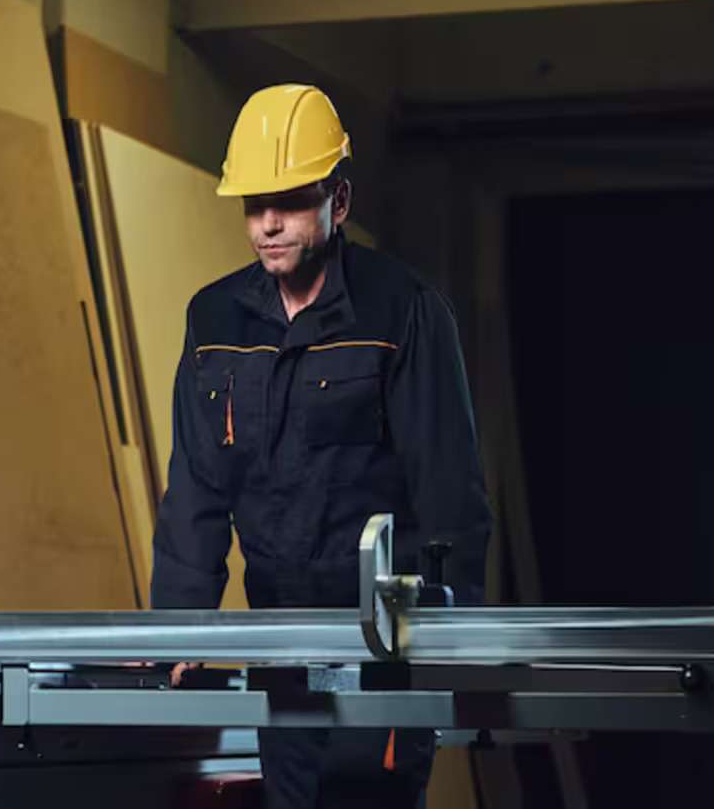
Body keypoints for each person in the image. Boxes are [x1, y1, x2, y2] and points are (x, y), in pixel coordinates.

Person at [150, 84, 494, 808]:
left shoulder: (403, 310)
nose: (269, 223)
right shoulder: (213, 320)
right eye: (253, 205)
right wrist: (180, 621)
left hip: (385, 645)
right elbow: (198, 488)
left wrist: (449, 637)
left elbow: (449, 489)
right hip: (280, 640)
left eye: (291, 201)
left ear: (339, 198)